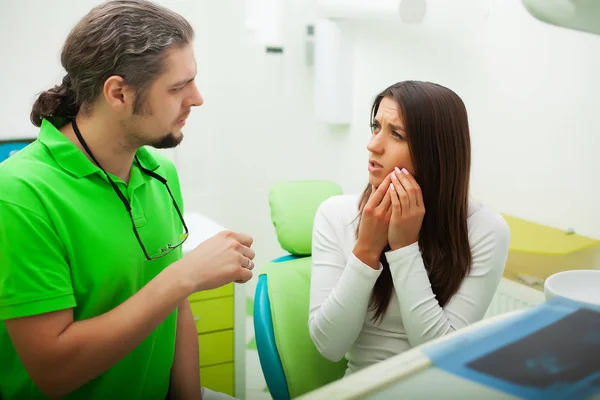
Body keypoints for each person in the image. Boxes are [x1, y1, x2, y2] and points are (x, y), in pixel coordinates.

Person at [0, 1, 254, 399]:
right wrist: (183, 277)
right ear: (118, 93)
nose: (197, 98)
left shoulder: (158, 172)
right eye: (177, 87)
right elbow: (55, 372)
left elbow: (175, 312)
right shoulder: (19, 196)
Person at [308, 80, 511, 375]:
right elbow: (329, 346)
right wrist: (366, 250)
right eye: (375, 127)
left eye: (397, 134)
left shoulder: (485, 230)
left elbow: (441, 355)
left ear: (436, 153)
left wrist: (404, 248)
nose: (373, 144)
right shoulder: (335, 214)